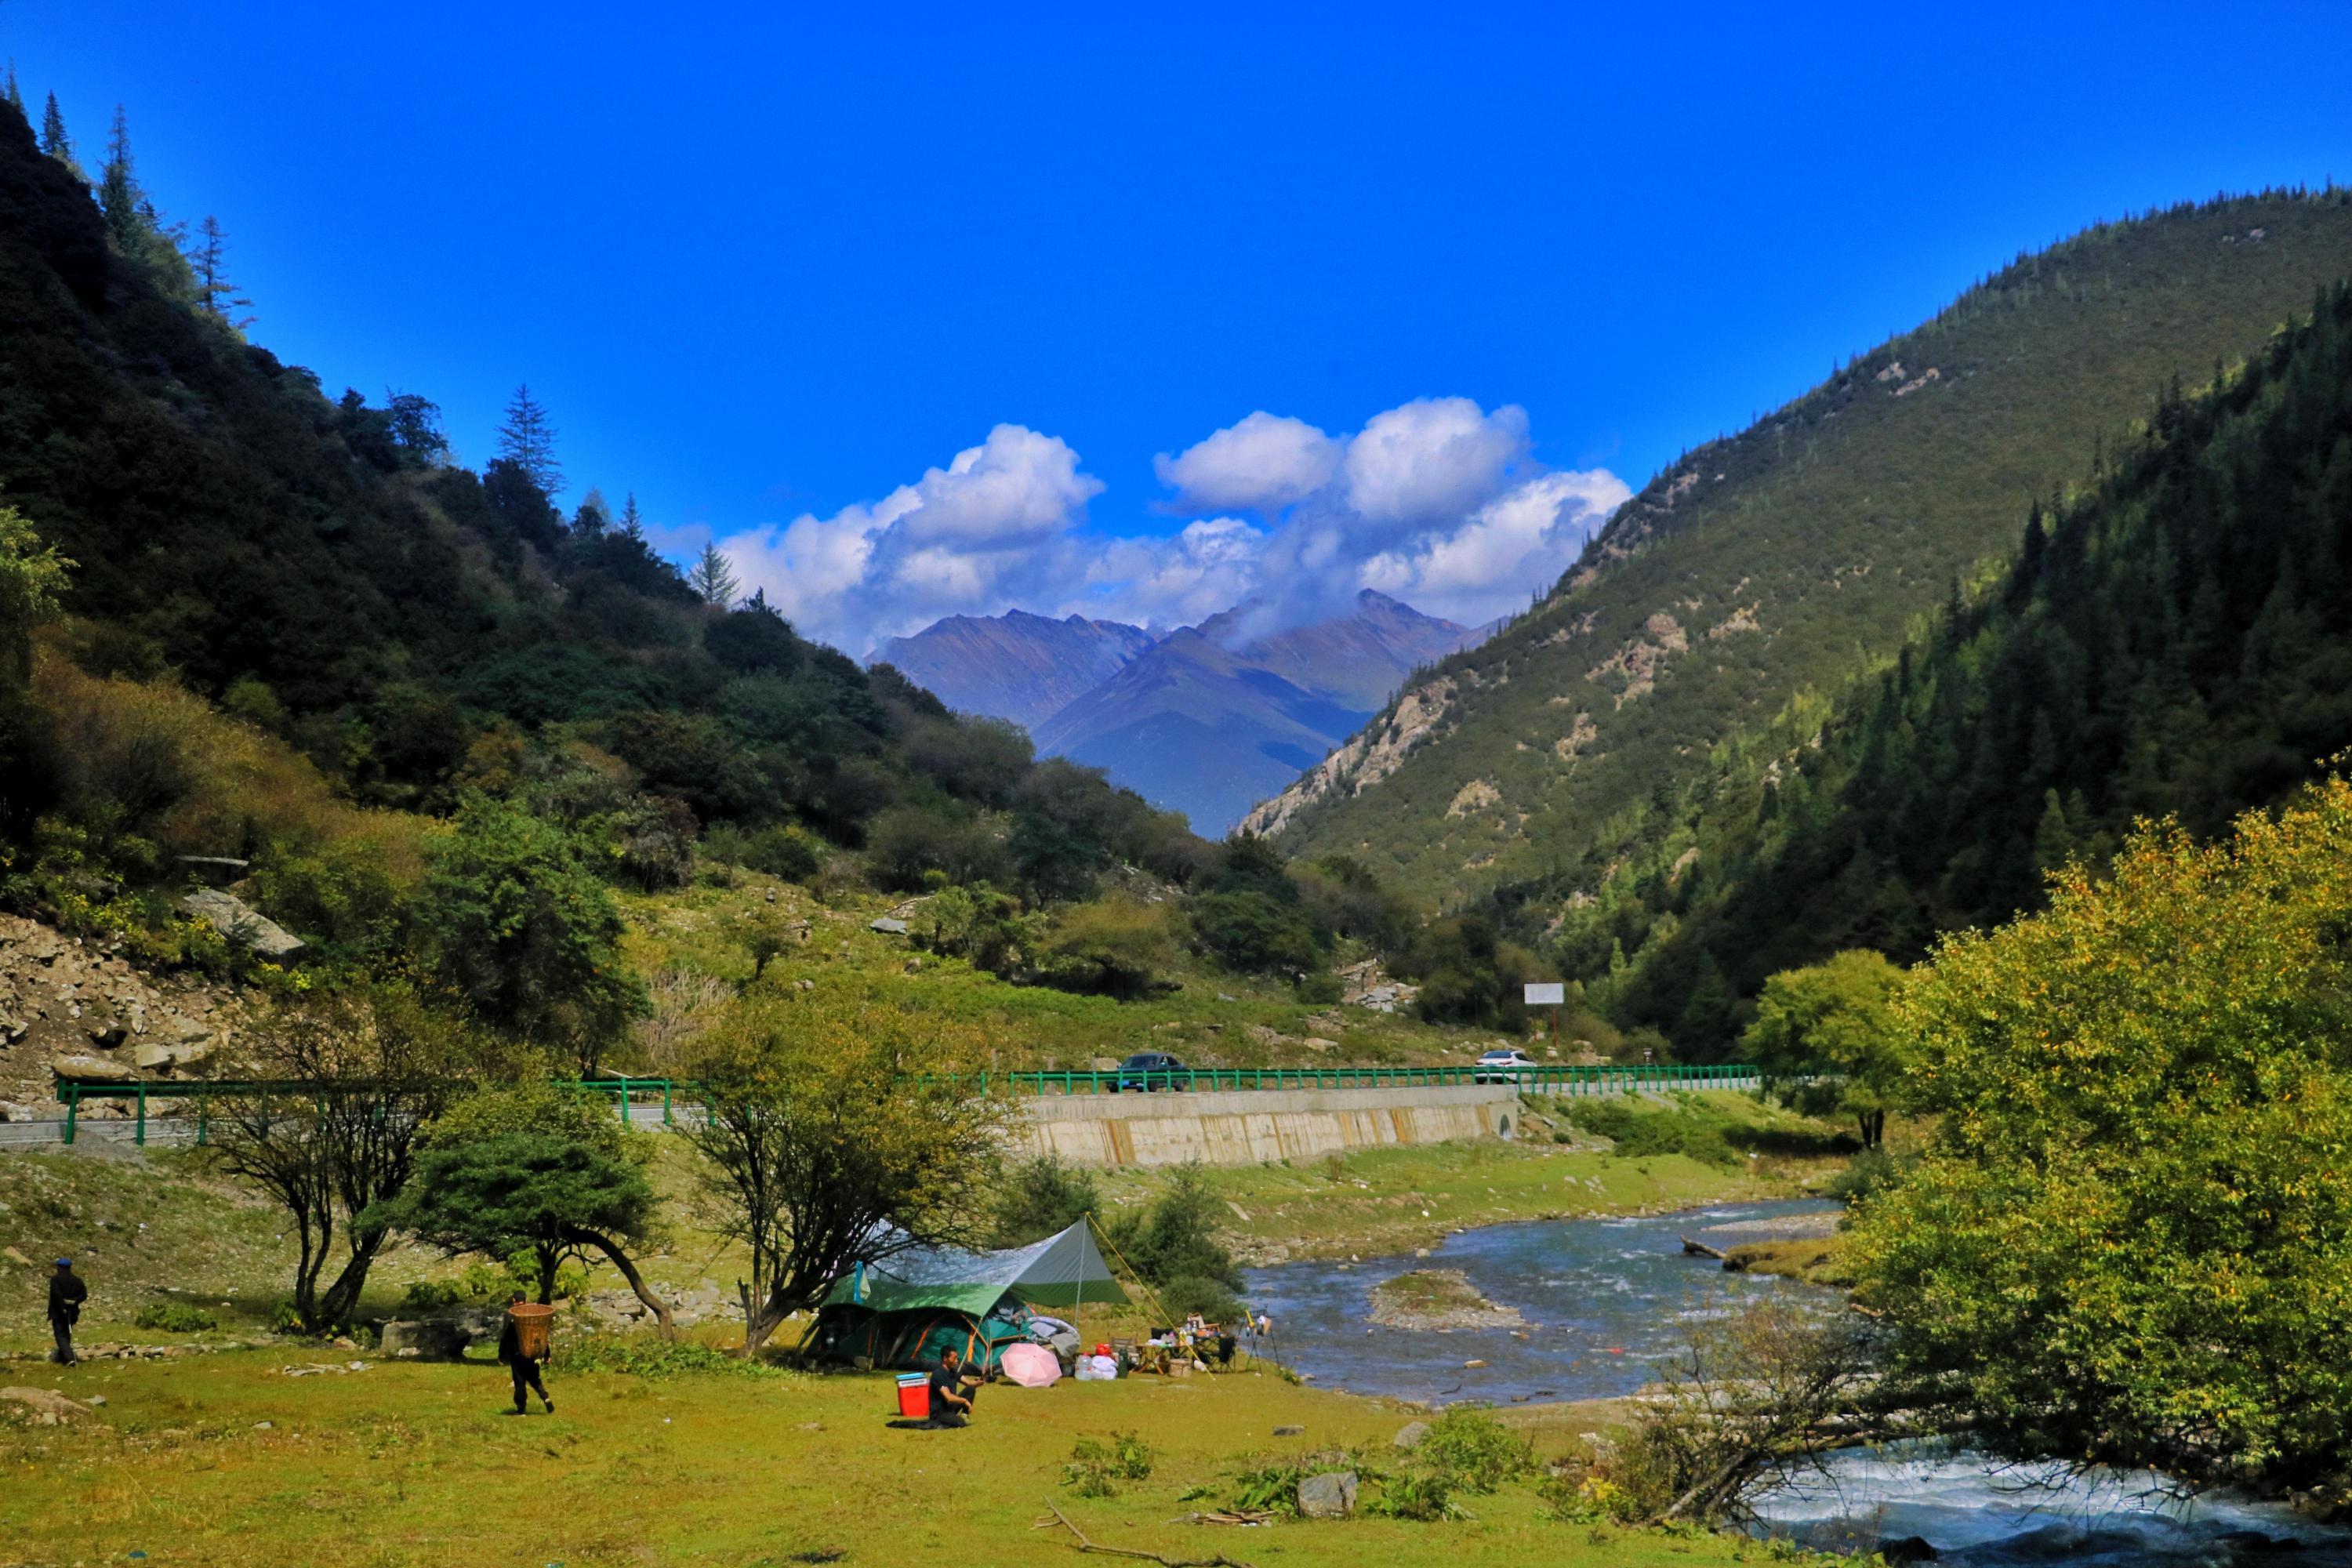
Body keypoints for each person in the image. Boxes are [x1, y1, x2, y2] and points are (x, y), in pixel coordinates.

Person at [495, 1293, 554, 1416]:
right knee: (534, 1379)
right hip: (534, 1353)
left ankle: (521, 1410)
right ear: (525, 1300)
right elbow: (541, 1336)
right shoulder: (532, 1314)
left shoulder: (511, 1314)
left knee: (520, 1381)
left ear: (513, 1300)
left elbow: (505, 1336)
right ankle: (545, 1397)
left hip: (517, 1355)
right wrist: (547, 1354)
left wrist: (501, 1355)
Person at [47, 1258, 85, 1367]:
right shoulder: (77, 1280)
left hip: (59, 1312)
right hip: (72, 1312)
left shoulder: (55, 1279)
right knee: (66, 1334)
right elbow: (84, 1295)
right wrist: (74, 1301)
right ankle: (63, 1357)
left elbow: (56, 1294)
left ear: (59, 1268)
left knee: (60, 1335)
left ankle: (69, 1359)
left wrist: (63, 1305)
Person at [924, 1346, 975, 1428]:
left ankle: (965, 1415)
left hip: (950, 1408)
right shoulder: (938, 1374)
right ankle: (942, 1422)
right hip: (939, 1413)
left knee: (971, 1388)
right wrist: (964, 1400)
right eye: (954, 1358)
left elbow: (968, 1382)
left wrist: (979, 1382)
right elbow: (949, 1397)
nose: (956, 1361)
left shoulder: (953, 1372)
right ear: (945, 1358)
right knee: (960, 1422)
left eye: (957, 1358)